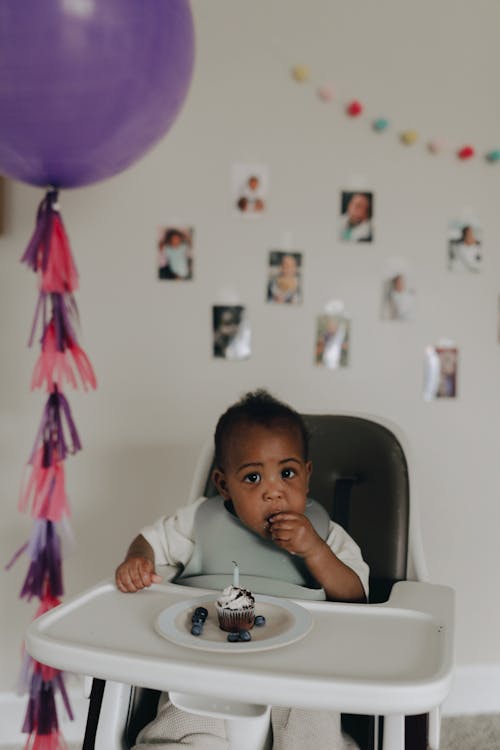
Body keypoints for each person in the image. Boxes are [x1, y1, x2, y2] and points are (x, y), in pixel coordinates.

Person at [116, 390, 368, 750]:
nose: (273, 492)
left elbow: (356, 594)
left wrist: (315, 550)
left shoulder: (325, 533)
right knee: (184, 719)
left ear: (307, 476)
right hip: (207, 662)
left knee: (313, 723)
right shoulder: (199, 521)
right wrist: (137, 561)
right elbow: (150, 540)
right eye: (253, 478)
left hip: (300, 666)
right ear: (224, 485)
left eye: (287, 473)